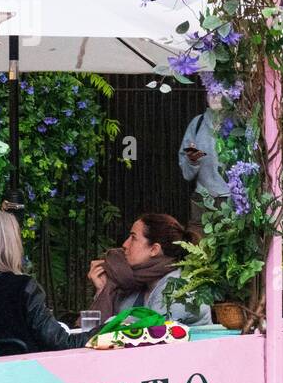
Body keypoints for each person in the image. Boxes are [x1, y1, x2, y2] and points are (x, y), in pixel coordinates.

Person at [0, 208, 83, 355]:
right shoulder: (22, 287)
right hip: (23, 374)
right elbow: (60, 342)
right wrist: (105, 331)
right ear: (11, 244)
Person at [88, 214, 211, 325]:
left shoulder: (178, 287)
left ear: (154, 250)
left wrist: (116, 322)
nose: (125, 244)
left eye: (133, 238)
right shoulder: (133, 283)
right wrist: (103, 290)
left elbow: (151, 332)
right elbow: (101, 333)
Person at [179, 95, 231, 229]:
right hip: (202, 199)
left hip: (234, 200)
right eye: (211, 91)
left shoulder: (239, 123)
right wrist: (193, 160)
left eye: (220, 91)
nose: (215, 96)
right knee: (199, 245)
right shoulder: (197, 123)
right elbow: (187, 171)